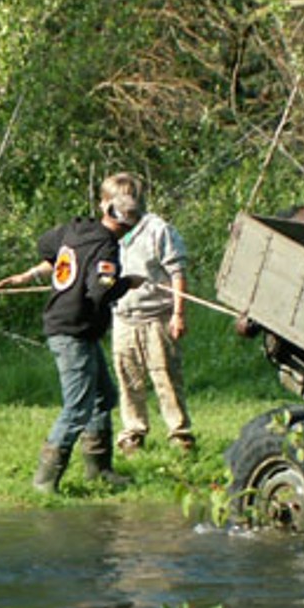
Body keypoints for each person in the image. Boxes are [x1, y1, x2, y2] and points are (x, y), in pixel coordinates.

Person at [0, 192, 140, 493]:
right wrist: (126, 283)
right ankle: (44, 482)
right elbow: (100, 290)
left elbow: (46, 245)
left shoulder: (74, 229)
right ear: (129, 225)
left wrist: (34, 273)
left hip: (75, 328)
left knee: (103, 397)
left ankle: (99, 470)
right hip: (72, 330)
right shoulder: (106, 246)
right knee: (77, 407)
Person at [103, 173, 194, 456]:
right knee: (128, 379)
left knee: (165, 377)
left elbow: (177, 273)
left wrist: (178, 314)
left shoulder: (159, 230)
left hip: (157, 317)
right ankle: (133, 435)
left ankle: (180, 436)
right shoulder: (108, 233)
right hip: (123, 317)